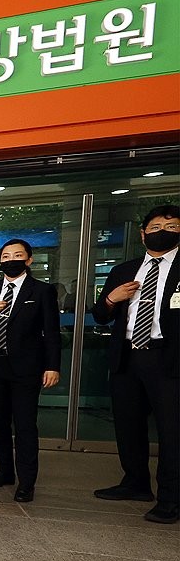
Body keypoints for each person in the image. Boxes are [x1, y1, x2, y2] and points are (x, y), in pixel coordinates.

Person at [91, 204, 179, 524]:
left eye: (170, 227)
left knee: (171, 430)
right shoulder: (124, 270)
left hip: (168, 358)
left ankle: (171, 497)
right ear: (143, 234)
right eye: (155, 228)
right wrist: (112, 298)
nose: (162, 233)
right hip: (128, 355)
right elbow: (101, 314)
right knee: (128, 424)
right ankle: (135, 483)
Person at [0, 238, 61, 503]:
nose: (11, 260)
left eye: (17, 255)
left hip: (25, 367)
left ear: (29, 260)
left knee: (24, 425)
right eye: (6, 256)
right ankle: (5, 472)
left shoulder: (41, 291)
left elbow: (52, 333)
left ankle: (27, 482)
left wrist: (52, 365)